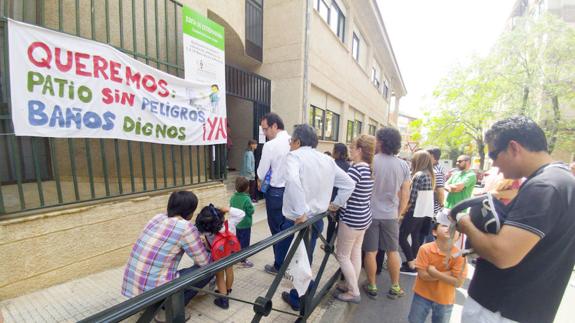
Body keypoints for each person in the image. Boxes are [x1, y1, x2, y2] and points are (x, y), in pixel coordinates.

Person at [454, 116, 575, 323]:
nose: (493, 164)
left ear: (513, 148)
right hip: (527, 308)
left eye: (493, 154)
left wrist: (466, 223)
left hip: (498, 309)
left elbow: (503, 255)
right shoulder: (563, 182)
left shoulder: (544, 186)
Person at [281, 124, 355, 311]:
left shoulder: (294, 156)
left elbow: (292, 180)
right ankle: (304, 288)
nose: (290, 144)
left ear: (297, 141)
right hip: (317, 219)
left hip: (298, 220)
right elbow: (349, 184)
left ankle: (298, 296)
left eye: (291, 141)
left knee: (294, 258)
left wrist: (300, 212)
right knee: (307, 256)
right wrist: (335, 204)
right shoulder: (327, 160)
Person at [121, 191, 212, 320]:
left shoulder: (157, 217)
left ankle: (153, 305)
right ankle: (169, 309)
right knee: (210, 268)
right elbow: (204, 262)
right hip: (157, 291)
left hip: (134, 287)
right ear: (189, 211)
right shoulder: (186, 227)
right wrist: (206, 247)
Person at [363, 127, 411, 300]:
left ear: (381, 142)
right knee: (392, 251)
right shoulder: (403, 165)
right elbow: (405, 193)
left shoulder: (371, 162)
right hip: (391, 215)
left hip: (370, 213)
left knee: (370, 251)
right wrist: (399, 213)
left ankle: (372, 285)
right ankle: (395, 286)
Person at [333, 135, 375, 304]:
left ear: (360, 150)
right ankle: (351, 284)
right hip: (364, 217)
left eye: (352, 147)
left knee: (342, 255)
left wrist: (333, 205)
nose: (350, 149)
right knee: (355, 253)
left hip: (351, 219)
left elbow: (345, 192)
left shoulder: (355, 169)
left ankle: (353, 291)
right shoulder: (369, 169)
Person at [408, 215, 467, 323]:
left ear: (459, 236)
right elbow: (423, 276)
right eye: (444, 225)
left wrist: (434, 272)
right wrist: (449, 273)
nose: (449, 229)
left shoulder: (460, 256)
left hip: (445, 299)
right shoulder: (425, 249)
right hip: (422, 295)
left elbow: (458, 283)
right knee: (414, 320)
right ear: (434, 232)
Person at [256, 113, 291, 275]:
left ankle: (279, 265)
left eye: (265, 129)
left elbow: (262, 172)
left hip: (276, 193)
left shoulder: (271, 145)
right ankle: (288, 262)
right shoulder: (294, 141)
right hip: (292, 192)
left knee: (276, 231)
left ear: (275, 126)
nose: (264, 133)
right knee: (288, 229)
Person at [399, 151, 436, 274]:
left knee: (402, 237)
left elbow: (411, 198)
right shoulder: (430, 175)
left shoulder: (419, 175)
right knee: (415, 237)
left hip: (414, 211)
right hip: (424, 212)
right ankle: (414, 263)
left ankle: (410, 263)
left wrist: (401, 212)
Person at [195, 205, 236, 310]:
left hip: (218, 255)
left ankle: (224, 300)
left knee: (219, 276)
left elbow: (197, 232)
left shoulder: (206, 230)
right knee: (230, 271)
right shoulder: (229, 225)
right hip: (230, 252)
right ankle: (228, 290)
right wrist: (227, 209)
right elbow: (241, 214)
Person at [230, 176, 255, 268]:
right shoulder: (247, 199)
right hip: (245, 224)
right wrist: (253, 208)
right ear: (247, 188)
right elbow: (251, 211)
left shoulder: (232, 198)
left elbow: (231, 208)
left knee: (236, 240)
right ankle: (243, 259)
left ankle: (235, 256)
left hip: (236, 224)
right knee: (245, 242)